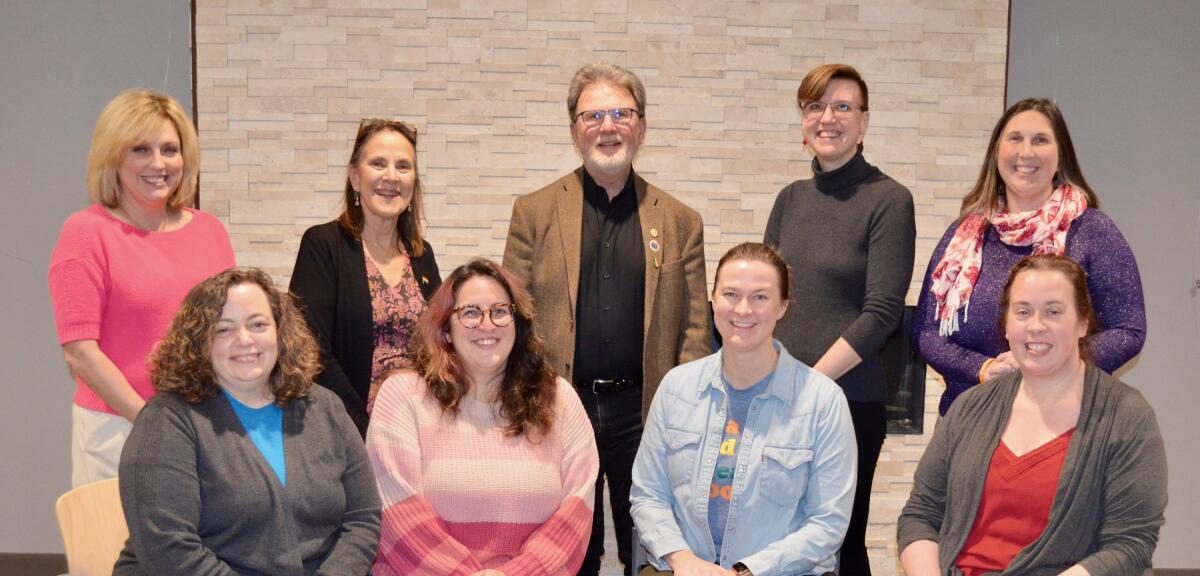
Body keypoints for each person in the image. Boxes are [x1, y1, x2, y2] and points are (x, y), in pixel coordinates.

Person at [503, 62, 710, 575]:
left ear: (641, 126)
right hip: (560, 408)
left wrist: (683, 412)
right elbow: (512, 317)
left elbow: (694, 331)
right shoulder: (535, 211)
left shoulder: (680, 221)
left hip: (647, 412)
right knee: (570, 547)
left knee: (653, 547)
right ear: (574, 130)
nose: (608, 126)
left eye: (622, 113)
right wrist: (527, 399)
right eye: (593, 115)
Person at [898, 254, 1166, 575]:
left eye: (1053, 311)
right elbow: (921, 514)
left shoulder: (1126, 416)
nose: (1036, 325)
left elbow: (1130, 544)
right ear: (1007, 326)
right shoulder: (970, 406)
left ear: (1083, 323)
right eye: (1023, 312)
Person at [114, 268, 381, 574]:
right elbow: (168, 548)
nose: (244, 340)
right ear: (200, 340)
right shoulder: (167, 421)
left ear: (279, 332)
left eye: (257, 324)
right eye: (224, 329)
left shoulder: (325, 407)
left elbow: (362, 518)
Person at [763, 62, 915, 575]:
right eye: (815, 106)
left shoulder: (889, 200)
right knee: (775, 540)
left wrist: (807, 383)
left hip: (847, 402)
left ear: (865, 122)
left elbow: (883, 312)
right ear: (803, 122)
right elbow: (766, 298)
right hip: (777, 397)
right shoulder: (789, 199)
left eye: (843, 106)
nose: (828, 117)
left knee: (838, 544)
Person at [631, 242, 856, 576]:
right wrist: (684, 560)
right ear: (714, 300)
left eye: (761, 297)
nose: (743, 309)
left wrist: (746, 571)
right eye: (731, 294)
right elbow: (648, 495)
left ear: (783, 306)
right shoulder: (676, 388)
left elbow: (826, 523)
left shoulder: (823, 402)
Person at [49, 89, 236, 487]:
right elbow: (80, 353)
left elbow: (227, 330)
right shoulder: (86, 233)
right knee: (116, 549)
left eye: (170, 149)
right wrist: (151, 420)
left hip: (202, 426)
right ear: (113, 157)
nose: (158, 163)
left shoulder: (210, 231)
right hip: (118, 428)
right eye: (140, 149)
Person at [913, 98, 1145, 415]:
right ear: (996, 153)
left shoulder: (1092, 230)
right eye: (1015, 139)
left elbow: (1128, 330)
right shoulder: (964, 234)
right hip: (968, 416)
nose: (1026, 152)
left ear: (1061, 156)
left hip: (1061, 419)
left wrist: (1050, 365)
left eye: (1040, 140)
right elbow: (926, 333)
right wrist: (983, 369)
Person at [367, 258, 599, 575]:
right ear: (446, 328)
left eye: (500, 311)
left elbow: (577, 511)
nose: (487, 325)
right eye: (471, 313)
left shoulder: (559, 399)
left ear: (518, 324)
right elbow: (396, 514)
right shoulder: (403, 397)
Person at [290, 118, 442, 437]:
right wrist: (365, 430)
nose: (391, 176)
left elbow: (439, 344)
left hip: (418, 432)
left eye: (403, 166)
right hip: (345, 434)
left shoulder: (421, 255)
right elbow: (310, 349)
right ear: (355, 177)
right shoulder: (323, 245)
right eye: (378, 163)